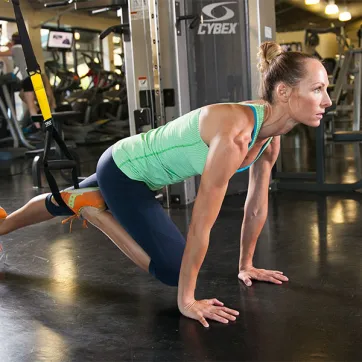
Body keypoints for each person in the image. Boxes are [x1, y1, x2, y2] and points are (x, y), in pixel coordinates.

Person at [0, 41, 332, 327]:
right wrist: (186, 300)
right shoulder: (236, 134)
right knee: (175, 270)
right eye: (318, 89)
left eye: (326, 89)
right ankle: (93, 211)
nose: (327, 100)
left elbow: (257, 205)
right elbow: (202, 221)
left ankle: (3, 226)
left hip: (131, 163)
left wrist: (246, 264)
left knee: (60, 200)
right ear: (284, 92)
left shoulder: (269, 139)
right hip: (124, 171)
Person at [0, 32, 56, 129]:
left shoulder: (15, 49)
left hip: (28, 78)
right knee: (22, 95)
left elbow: (3, 53)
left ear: (13, 41)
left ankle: (38, 128)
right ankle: (40, 114)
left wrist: (9, 46)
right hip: (38, 76)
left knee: (30, 106)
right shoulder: (25, 49)